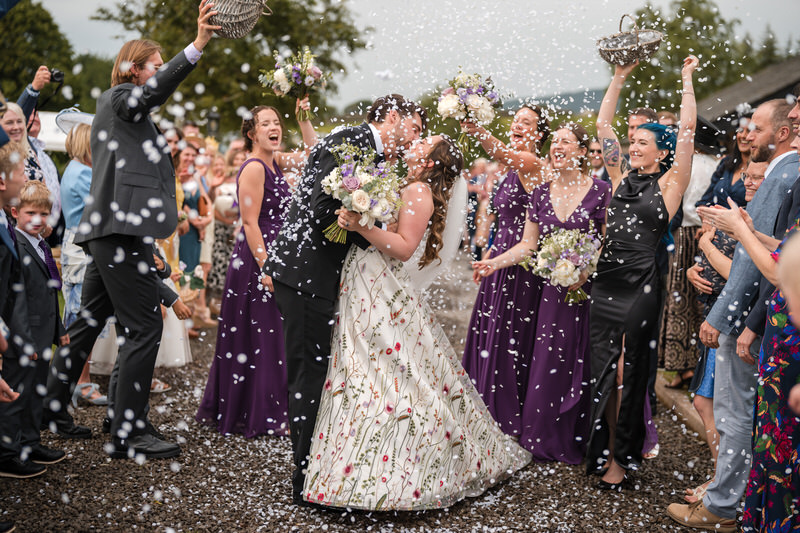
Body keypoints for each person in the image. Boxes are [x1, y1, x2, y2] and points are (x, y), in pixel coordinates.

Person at [303, 135, 530, 510]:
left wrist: (360, 226)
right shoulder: (407, 184)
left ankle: (393, 470)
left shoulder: (419, 191)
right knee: (363, 367)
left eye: (425, 142)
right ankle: (352, 467)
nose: (416, 141)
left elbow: (405, 247)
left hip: (378, 283)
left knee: (379, 371)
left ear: (428, 162)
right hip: (364, 276)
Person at [41, 0, 220, 459]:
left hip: (114, 232)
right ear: (134, 70)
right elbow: (153, 94)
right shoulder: (120, 99)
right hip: (119, 233)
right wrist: (197, 45)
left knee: (87, 324)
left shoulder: (124, 112)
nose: (158, 72)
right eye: (154, 66)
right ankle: (128, 432)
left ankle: (53, 410)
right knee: (143, 327)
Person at [268, 94, 424, 506]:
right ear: (393, 117)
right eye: (413, 128)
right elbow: (322, 210)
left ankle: (319, 466)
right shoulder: (349, 141)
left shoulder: (372, 153)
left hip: (320, 276)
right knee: (308, 375)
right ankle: (304, 479)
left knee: (320, 372)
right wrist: (368, 229)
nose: (414, 139)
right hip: (306, 276)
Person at [667, 99, 798, 531]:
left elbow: (754, 263)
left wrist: (726, 318)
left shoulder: (784, 173)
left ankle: (722, 506)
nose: (747, 134)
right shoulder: (782, 172)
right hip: (761, 313)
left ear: (781, 133)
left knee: (734, 411)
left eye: (756, 128)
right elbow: (774, 245)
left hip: (757, 315)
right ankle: (736, 498)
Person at [586, 56, 698, 490]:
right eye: (633, 141)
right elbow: (603, 126)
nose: (633, 146)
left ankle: (622, 455)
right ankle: (602, 450)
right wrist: (618, 77)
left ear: (662, 152)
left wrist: (686, 80)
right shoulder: (618, 178)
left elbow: (687, 131)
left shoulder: (671, 185)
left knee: (627, 372)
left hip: (641, 284)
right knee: (603, 372)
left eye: (643, 142)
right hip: (606, 282)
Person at [473, 123, 610, 463]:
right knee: (548, 360)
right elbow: (528, 245)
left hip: (588, 291)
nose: (557, 146)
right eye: (555, 142)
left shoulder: (601, 190)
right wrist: (493, 263)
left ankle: (583, 435)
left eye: (566, 141)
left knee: (585, 359)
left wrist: (587, 268)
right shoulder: (540, 193)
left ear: (581, 151)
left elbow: (608, 240)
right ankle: (544, 434)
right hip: (551, 292)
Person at [196, 98, 318, 438]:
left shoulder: (275, 160)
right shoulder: (253, 168)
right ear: (251, 133)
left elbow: (314, 155)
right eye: (265, 123)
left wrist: (303, 118)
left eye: (276, 122)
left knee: (273, 334)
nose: (274, 127)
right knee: (264, 335)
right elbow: (249, 223)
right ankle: (263, 413)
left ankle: (268, 407)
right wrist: (268, 268)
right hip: (257, 258)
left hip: (275, 255)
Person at [460, 104, 550, 438]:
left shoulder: (532, 163)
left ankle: (504, 411)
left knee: (509, 333)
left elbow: (502, 152)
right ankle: (483, 405)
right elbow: (499, 214)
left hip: (521, 261)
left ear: (539, 134)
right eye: (516, 120)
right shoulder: (510, 169)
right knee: (492, 328)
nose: (518, 125)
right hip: (499, 255)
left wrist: (478, 130)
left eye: (526, 122)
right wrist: (487, 250)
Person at [683, 159, 765, 504]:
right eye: (747, 176)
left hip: (734, 321)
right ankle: (720, 480)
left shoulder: (756, 222)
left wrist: (705, 246)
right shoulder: (743, 215)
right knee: (706, 402)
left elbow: (739, 274)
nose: (749, 182)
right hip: (716, 313)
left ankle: (724, 486)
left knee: (718, 405)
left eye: (758, 178)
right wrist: (693, 270)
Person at [4, 181, 69, 470]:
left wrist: (59, 330)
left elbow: (49, 293)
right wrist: (24, 340)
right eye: (31, 213)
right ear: (15, 212)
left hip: (43, 334)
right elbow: (16, 300)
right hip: (24, 338)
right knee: (16, 395)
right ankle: (8, 452)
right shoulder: (15, 246)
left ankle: (30, 442)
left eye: (44, 214)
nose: (38, 220)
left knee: (35, 393)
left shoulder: (41, 245)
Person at [659, 117, 723, 388]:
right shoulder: (718, 165)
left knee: (681, 298)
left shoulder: (687, 165)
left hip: (686, 234)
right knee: (701, 300)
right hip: (713, 235)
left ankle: (683, 367)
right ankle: (700, 365)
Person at [0, 142, 45, 480]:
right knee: (12, 395)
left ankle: (23, 444)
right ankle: (7, 453)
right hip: (11, 331)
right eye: (20, 171)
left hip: (16, 329)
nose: (25, 176)